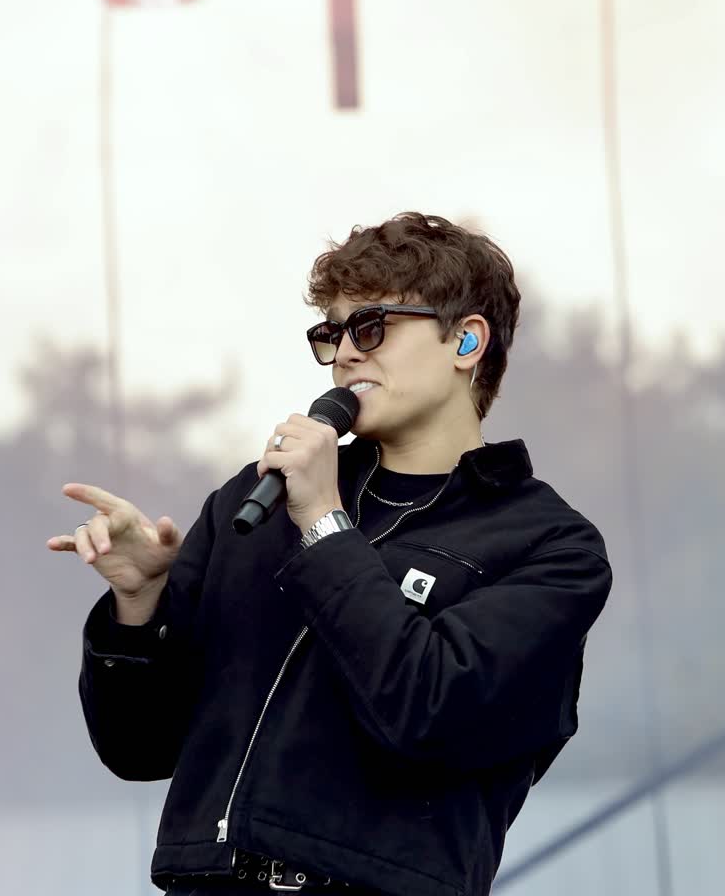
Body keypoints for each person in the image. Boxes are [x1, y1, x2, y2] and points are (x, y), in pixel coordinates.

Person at [49, 212, 613, 896]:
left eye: (371, 327)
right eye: (332, 333)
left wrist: (323, 524)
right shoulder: (253, 504)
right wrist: (139, 608)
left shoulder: (549, 547)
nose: (345, 353)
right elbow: (138, 749)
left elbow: (428, 713)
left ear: (466, 340)